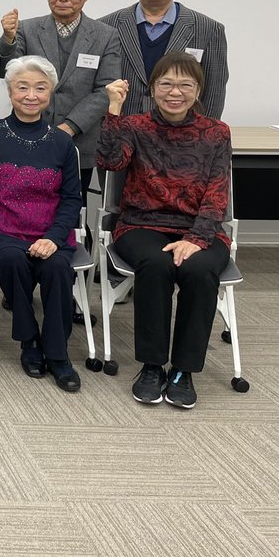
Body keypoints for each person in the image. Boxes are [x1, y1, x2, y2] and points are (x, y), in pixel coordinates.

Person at [97, 55, 232, 410]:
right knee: (156, 265)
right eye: (166, 84)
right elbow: (110, 162)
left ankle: (183, 371)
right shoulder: (134, 125)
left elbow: (217, 193)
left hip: (199, 228)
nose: (175, 92)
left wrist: (196, 239)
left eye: (185, 85)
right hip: (141, 224)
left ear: (198, 91)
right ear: (153, 88)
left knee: (200, 270)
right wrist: (114, 110)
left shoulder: (217, 132)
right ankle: (152, 366)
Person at [0, 56, 83, 393]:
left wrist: (54, 238)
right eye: (23, 87)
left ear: (50, 93)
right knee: (13, 259)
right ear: (10, 91)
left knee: (57, 267)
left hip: (48, 231)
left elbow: (72, 199)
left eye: (40, 88)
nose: (31, 95)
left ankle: (57, 354)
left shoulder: (62, 142)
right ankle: (29, 341)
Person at [0, 0, 122, 204]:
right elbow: (3, 71)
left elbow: (106, 90)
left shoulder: (106, 36)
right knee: (23, 204)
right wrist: (8, 40)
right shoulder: (26, 29)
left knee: (72, 207)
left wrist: (69, 127)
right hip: (28, 136)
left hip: (79, 141)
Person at [99, 0, 228, 118]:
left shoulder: (209, 30)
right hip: (120, 129)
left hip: (182, 132)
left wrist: (204, 132)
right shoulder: (105, 27)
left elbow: (214, 94)